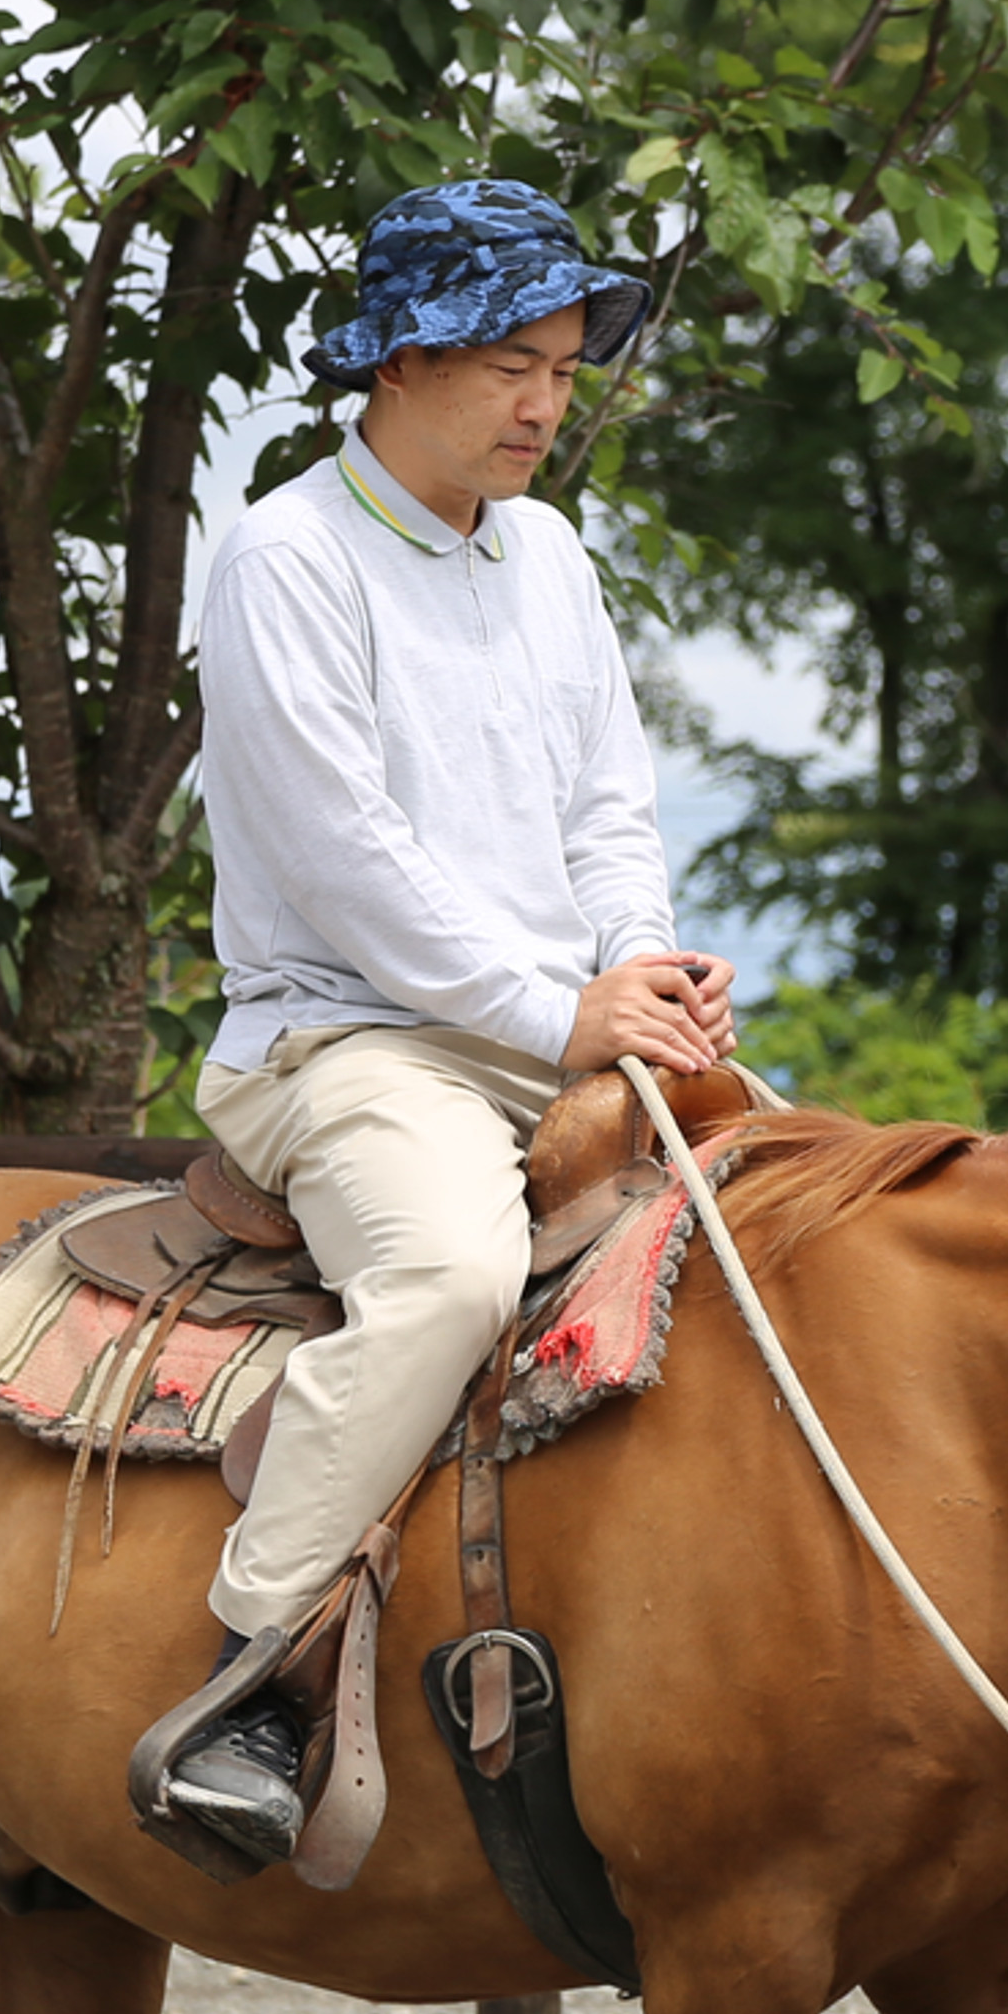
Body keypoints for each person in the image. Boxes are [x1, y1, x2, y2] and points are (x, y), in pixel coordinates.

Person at [126, 180, 739, 1878]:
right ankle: (249, 1678)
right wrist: (561, 1007)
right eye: (509, 365)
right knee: (454, 1281)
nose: (546, 404)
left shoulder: (548, 555)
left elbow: (610, 806)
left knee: (811, 1247)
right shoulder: (288, 559)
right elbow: (345, 864)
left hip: (567, 1033)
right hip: (350, 1040)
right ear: (398, 361)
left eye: (564, 369)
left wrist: (644, 970)